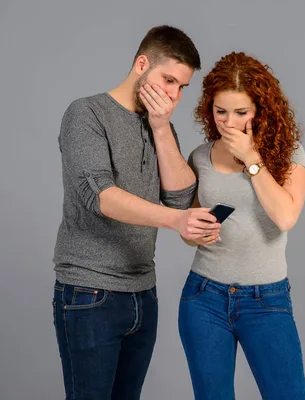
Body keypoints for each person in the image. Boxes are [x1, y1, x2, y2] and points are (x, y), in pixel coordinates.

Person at [51, 25, 221, 400]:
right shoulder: (86, 113)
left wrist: (161, 129)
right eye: (168, 80)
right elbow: (101, 197)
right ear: (141, 64)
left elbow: (180, 198)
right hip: (89, 292)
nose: (174, 95)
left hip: (143, 294)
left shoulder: (161, 126)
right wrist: (176, 221)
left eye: (181, 87)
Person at [178, 51, 305, 399]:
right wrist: (195, 232)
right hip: (204, 297)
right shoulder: (200, 157)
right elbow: (190, 231)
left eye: (241, 112)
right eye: (220, 111)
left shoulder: (289, 153)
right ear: (209, 108)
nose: (229, 122)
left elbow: (285, 217)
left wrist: (252, 159)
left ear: (259, 109)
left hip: (266, 300)